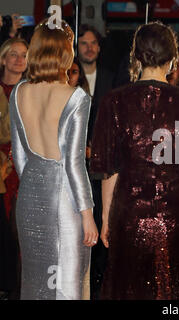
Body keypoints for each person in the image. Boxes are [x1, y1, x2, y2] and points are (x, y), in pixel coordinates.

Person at [90, 21, 179, 300]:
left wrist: (106, 218)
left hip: (128, 212)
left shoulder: (114, 102)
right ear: (172, 58)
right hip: (174, 214)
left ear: (136, 56)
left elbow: (110, 169)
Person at [9, 19, 98, 300]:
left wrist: (36, 188)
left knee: (37, 284)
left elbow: (20, 158)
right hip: (65, 201)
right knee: (67, 285)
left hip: (29, 198)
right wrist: (87, 215)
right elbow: (73, 163)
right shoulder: (76, 97)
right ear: (63, 53)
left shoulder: (18, 93)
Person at [77, 24, 114, 298]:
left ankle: (100, 278)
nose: (89, 48)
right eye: (83, 43)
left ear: (99, 47)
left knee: (104, 216)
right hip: (76, 162)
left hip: (103, 163)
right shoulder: (70, 78)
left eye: (93, 43)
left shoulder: (112, 78)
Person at [0, 37, 28, 300]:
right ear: (3, 59)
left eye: (23, 55)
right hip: (1, 172)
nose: (19, 59)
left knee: (19, 233)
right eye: (13, 54)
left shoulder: (30, 91)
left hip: (23, 172)